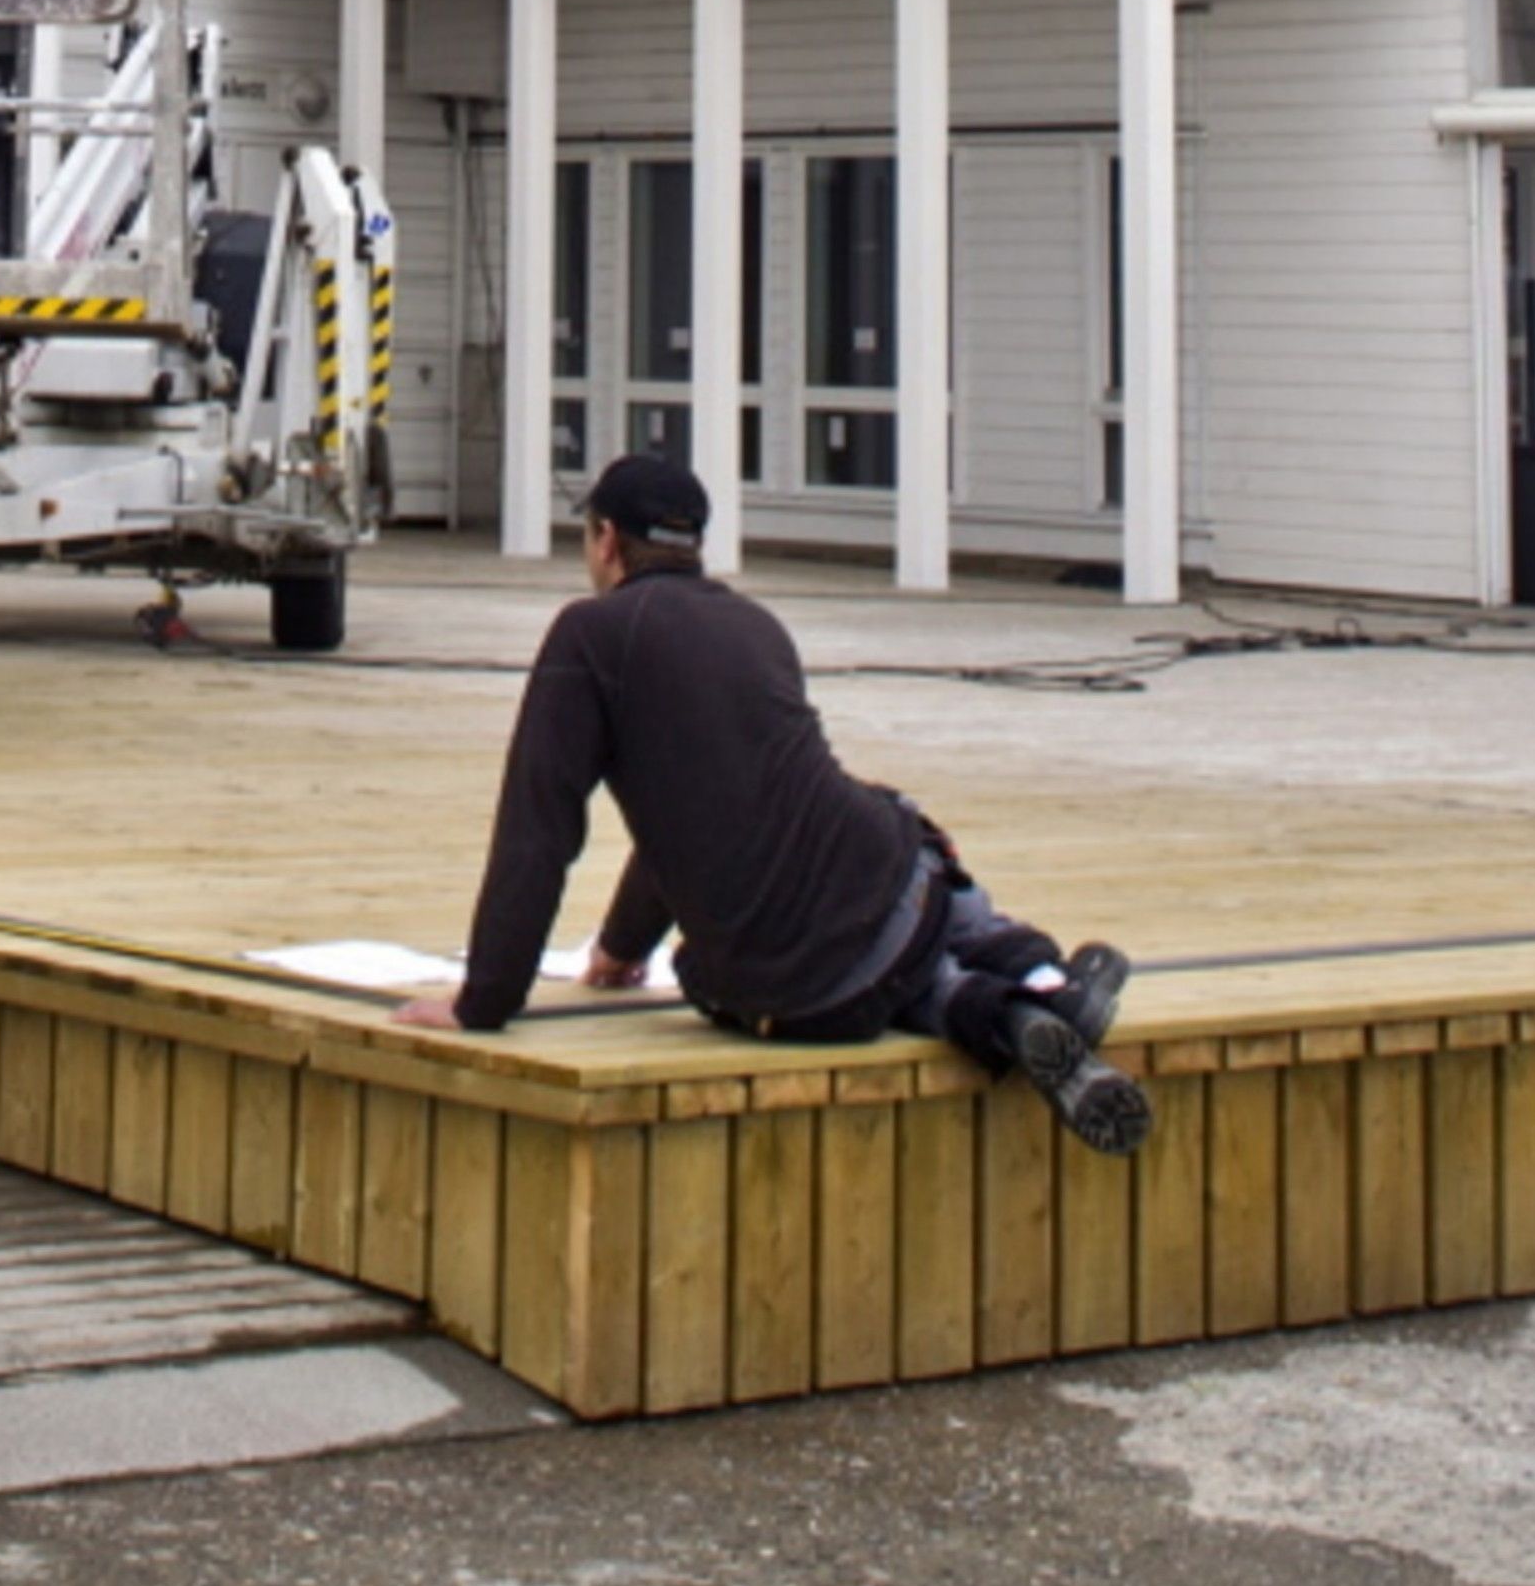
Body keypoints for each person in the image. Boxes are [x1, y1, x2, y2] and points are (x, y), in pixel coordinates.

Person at [392, 452, 1153, 1154]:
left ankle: (1005, 1015)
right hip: (887, 891)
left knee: (887, 982)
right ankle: (1046, 981)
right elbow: (728, 803)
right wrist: (622, 945)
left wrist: (485, 1000)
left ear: (607, 540)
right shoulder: (757, 627)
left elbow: (540, 827)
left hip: (798, 995)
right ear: (696, 544)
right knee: (900, 856)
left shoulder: (589, 635)